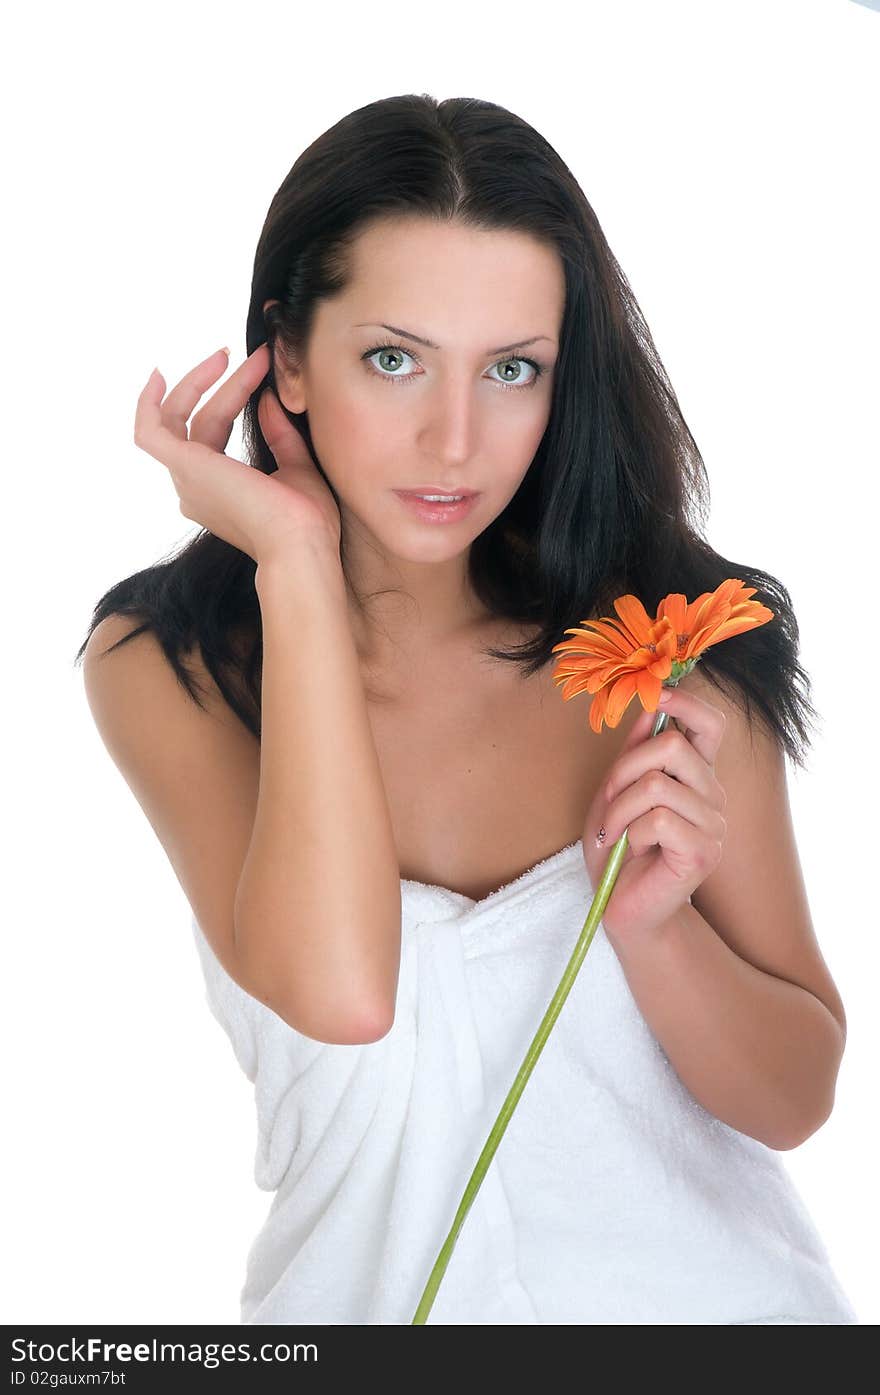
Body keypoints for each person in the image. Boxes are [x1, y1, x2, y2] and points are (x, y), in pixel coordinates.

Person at [75, 93, 858, 1325]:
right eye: (394, 359)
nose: (453, 441)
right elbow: (340, 996)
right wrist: (294, 566)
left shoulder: (668, 648)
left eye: (511, 370)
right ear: (285, 354)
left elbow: (794, 1097)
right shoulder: (170, 666)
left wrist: (654, 926)